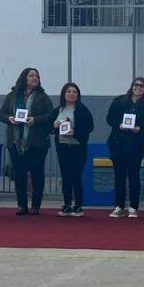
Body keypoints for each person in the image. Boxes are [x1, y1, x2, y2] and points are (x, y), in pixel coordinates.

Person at [0, 68, 55, 216]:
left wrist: (35, 120)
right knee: (19, 174)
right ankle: (21, 205)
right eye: (31, 76)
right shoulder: (12, 96)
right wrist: (9, 119)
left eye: (37, 76)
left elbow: (51, 115)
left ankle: (36, 204)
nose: (35, 78)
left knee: (37, 173)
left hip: (37, 142)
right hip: (16, 141)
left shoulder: (43, 97)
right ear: (24, 78)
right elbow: (1, 114)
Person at [106, 77, 144, 218]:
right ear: (132, 86)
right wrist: (119, 125)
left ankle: (133, 207)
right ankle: (119, 206)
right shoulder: (119, 101)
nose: (138, 88)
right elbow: (109, 118)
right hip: (118, 144)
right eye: (136, 85)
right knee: (119, 176)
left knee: (134, 176)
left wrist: (140, 129)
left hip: (135, 146)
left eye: (141, 86)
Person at [52, 82, 94, 217]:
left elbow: (89, 127)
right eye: (68, 91)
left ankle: (78, 205)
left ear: (78, 95)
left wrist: (75, 133)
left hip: (77, 148)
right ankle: (67, 204)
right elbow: (50, 126)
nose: (71, 94)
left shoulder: (82, 109)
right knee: (66, 177)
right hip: (63, 147)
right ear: (64, 94)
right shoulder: (58, 110)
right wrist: (54, 125)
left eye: (74, 92)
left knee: (76, 176)